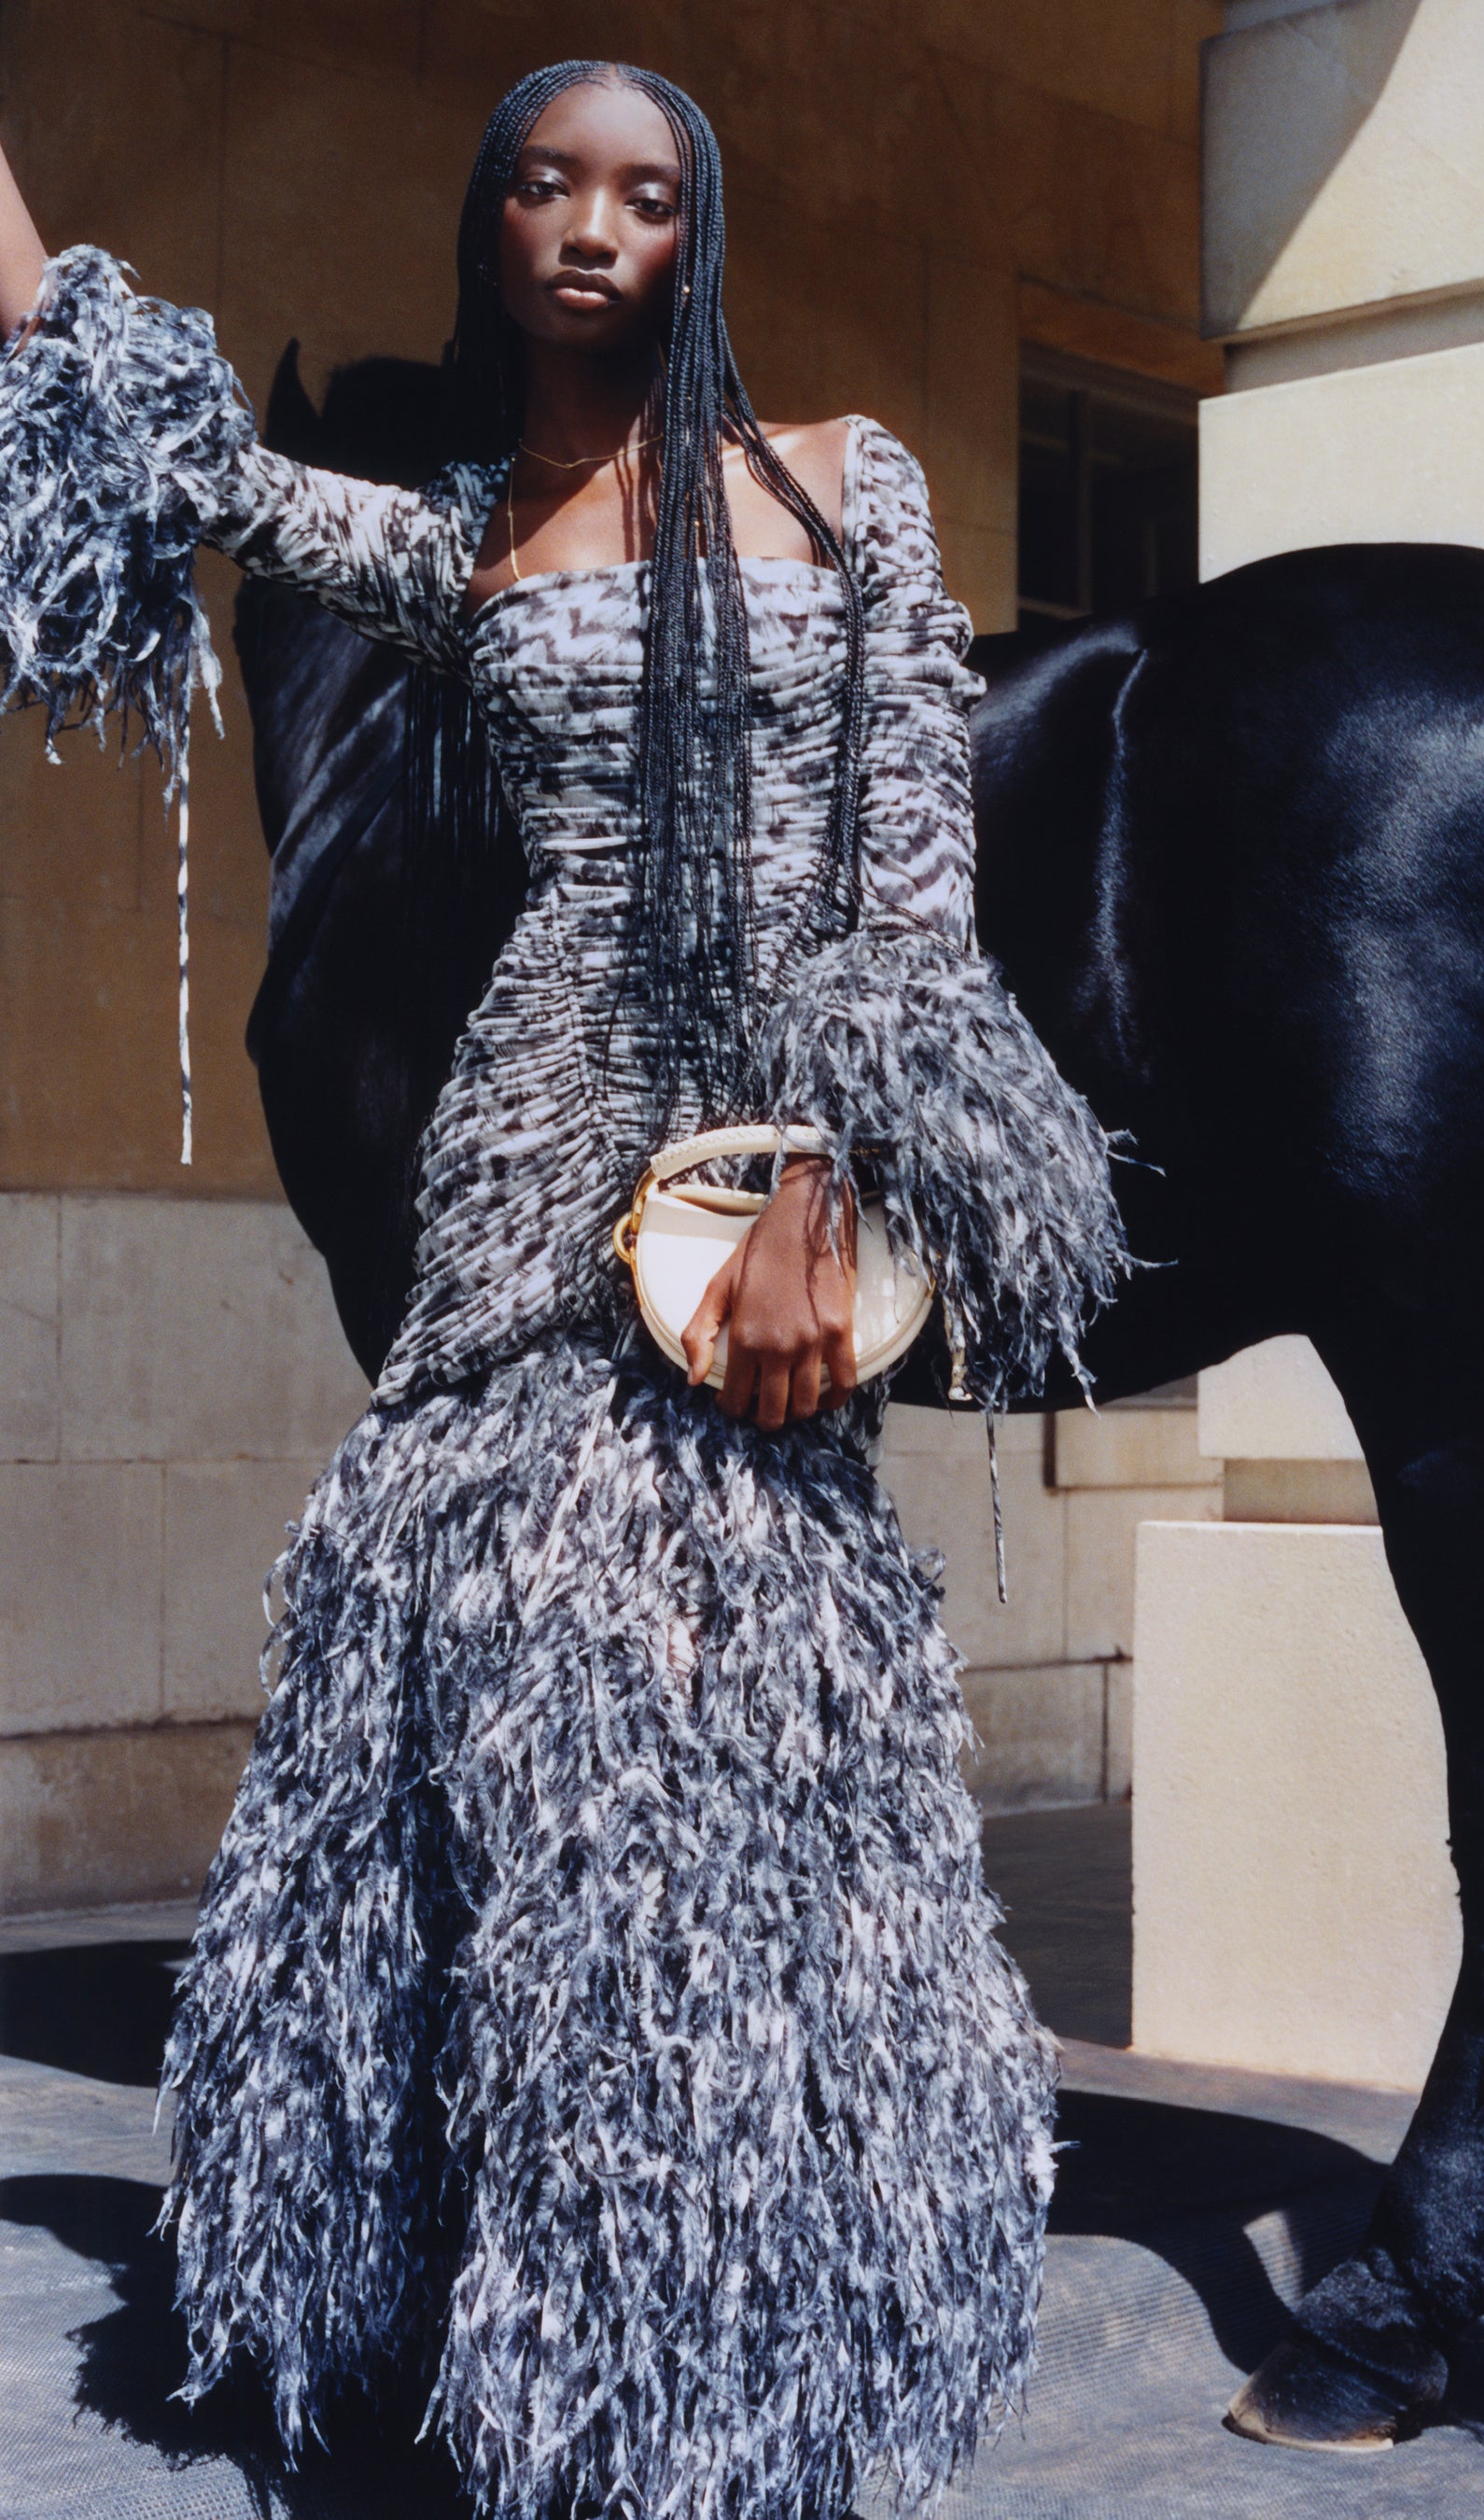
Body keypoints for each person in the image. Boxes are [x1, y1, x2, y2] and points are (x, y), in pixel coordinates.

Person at [0, 59, 1125, 2520]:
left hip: (752, 1166)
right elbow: (191, 468)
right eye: (547, 184)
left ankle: (708, 2313)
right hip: (523, 1148)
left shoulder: (840, 478)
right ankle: (446, 2271)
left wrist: (833, 1168)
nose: (595, 225)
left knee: (712, 1698)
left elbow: (910, 868)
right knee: (462, 1652)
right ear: (492, 226)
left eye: (645, 193)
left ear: (696, 236)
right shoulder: (465, 536)